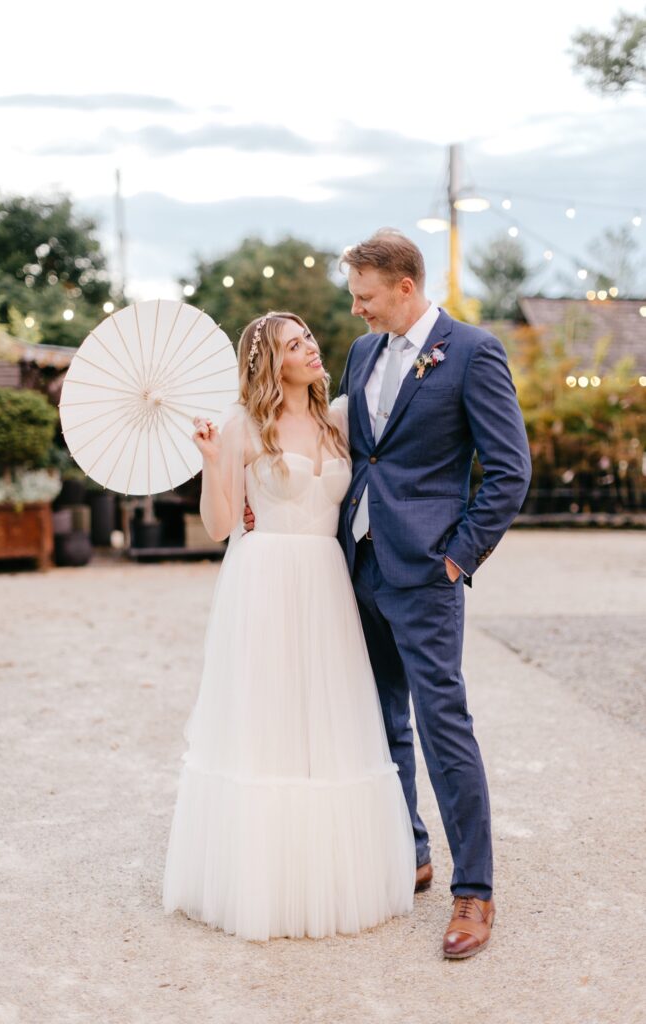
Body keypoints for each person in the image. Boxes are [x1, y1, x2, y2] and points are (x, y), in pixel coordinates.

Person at [162, 310, 415, 942]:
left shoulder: (339, 421)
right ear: (272, 363)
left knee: (328, 722)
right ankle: (264, 881)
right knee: (269, 721)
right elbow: (221, 526)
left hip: (327, 582)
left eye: (307, 338)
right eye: (293, 344)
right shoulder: (240, 424)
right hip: (265, 578)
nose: (310, 347)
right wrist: (215, 460)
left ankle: (330, 875)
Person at [332, 229, 533, 958]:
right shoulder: (361, 353)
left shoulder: (472, 352)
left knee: (442, 725)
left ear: (404, 287)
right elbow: (360, 453)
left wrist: (456, 559)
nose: (356, 311)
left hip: (425, 573)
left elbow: (508, 471)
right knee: (381, 718)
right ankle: (410, 850)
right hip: (357, 562)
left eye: (364, 297)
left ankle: (472, 892)